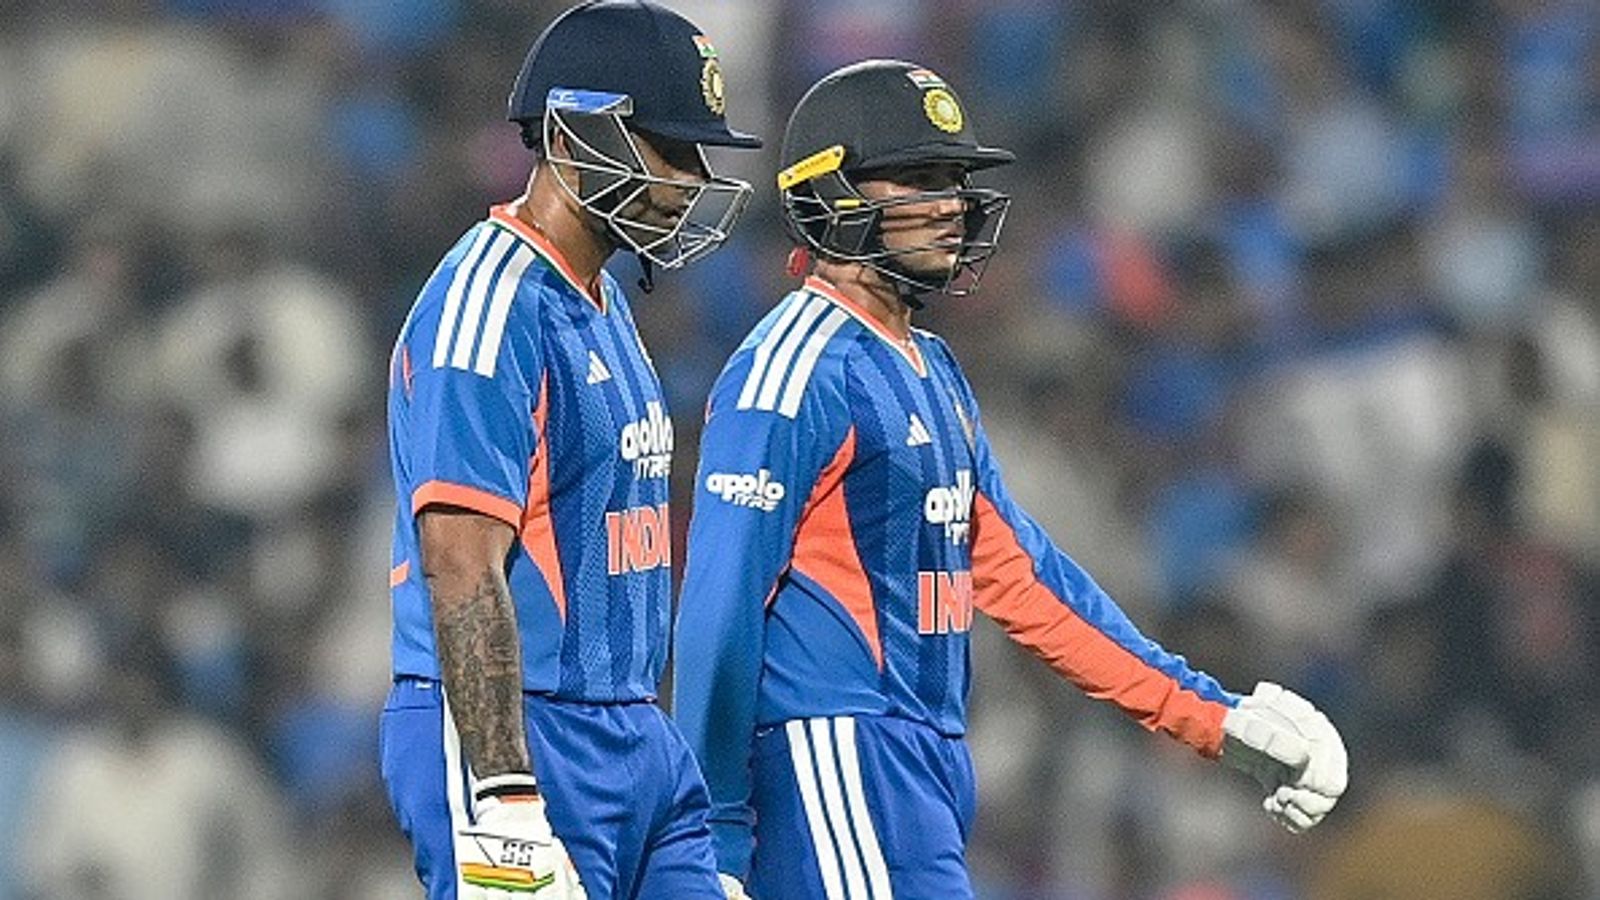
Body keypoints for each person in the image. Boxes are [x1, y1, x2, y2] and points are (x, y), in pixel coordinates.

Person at [673, 59, 1348, 899]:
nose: (952, 204)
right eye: (919, 177)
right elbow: (718, 608)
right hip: (834, 756)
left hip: (925, 762)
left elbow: (1025, 583)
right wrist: (712, 838)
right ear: (830, 194)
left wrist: (1210, 715)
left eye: (954, 179)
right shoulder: (792, 371)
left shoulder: (932, 368)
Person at [380, 3, 761, 898]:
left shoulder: (599, 298)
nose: (691, 180)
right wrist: (504, 793)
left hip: (632, 734)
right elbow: (460, 563)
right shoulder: (486, 307)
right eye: (670, 148)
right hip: (523, 734)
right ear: (576, 130)